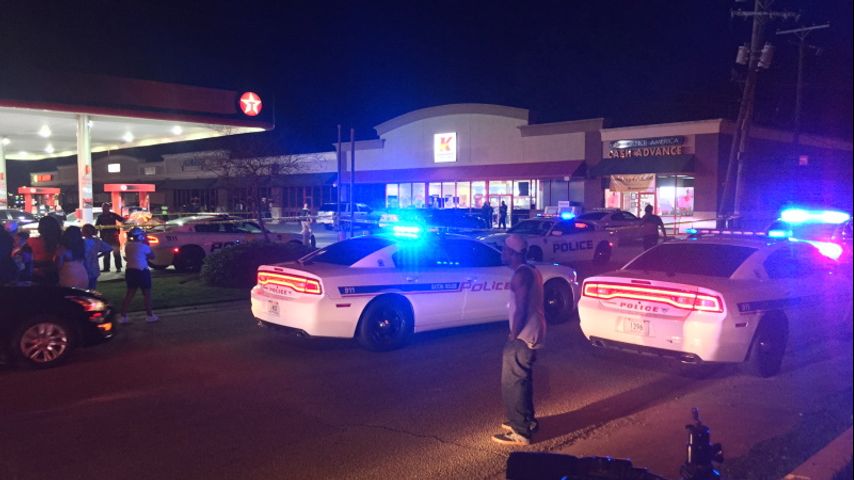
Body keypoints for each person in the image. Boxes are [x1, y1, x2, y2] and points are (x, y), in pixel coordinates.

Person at [492, 234, 546, 446]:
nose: (502, 254)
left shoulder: (521, 275)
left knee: (512, 383)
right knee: (523, 379)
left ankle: (520, 431)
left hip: (524, 335)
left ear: (513, 253)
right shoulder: (531, 270)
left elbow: (522, 308)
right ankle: (526, 420)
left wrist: (513, 335)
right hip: (533, 331)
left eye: (505, 250)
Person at [117, 227, 158, 324]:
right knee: (147, 294)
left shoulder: (128, 246)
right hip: (142, 271)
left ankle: (123, 315)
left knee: (130, 293)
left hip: (130, 271)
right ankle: (150, 315)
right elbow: (152, 256)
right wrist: (147, 243)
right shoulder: (143, 246)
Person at [27, 216, 63, 284]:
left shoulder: (32, 241)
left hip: (37, 275)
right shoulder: (61, 242)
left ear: (40, 228)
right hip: (56, 276)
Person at [82, 224, 114, 290]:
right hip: (94, 266)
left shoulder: (81, 242)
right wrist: (98, 256)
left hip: (84, 267)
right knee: (92, 287)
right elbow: (109, 249)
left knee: (84, 287)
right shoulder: (97, 241)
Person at [96, 202, 124, 272]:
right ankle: (106, 268)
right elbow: (97, 226)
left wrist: (121, 226)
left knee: (116, 253)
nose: (105, 209)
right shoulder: (100, 217)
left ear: (109, 208)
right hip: (105, 237)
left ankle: (118, 267)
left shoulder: (113, 215)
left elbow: (122, 219)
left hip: (114, 236)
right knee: (106, 253)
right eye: (104, 207)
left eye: (106, 207)